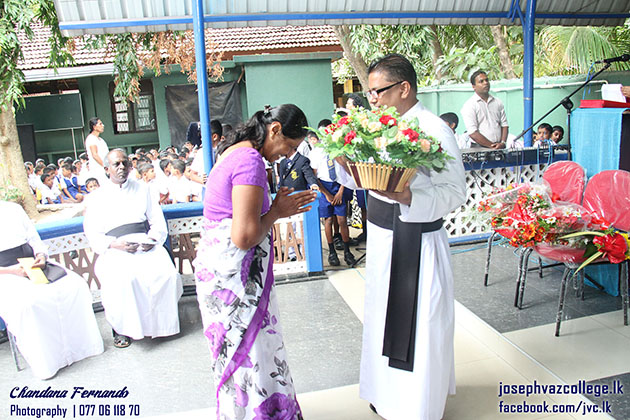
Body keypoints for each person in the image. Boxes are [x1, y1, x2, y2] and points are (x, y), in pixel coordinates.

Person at [337, 54, 466, 420]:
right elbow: (366, 181)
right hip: (382, 237)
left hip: (418, 240)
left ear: (404, 88)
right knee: (381, 316)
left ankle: (416, 405)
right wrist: (346, 167)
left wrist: (410, 197)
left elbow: (456, 191)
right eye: (370, 91)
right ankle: (385, 394)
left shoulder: (434, 129)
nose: (372, 99)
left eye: (378, 91)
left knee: (420, 324)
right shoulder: (378, 127)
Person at [193, 104, 316, 420]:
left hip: (223, 277)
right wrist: (277, 211)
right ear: (275, 130)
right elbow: (244, 237)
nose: (287, 155)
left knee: (248, 357)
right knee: (255, 355)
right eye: (288, 146)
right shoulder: (250, 161)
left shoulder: (234, 152)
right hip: (234, 285)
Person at [83, 149, 182, 348]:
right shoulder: (95, 198)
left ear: (130, 166)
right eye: (116, 164)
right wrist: (113, 244)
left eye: (124, 163)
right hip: (115, 247)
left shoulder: (143, 189)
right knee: (125, 280)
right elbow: (92, 232)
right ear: (106, 168)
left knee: (166, 275)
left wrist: (152, 240)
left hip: (144, 243)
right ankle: (123, 329)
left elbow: (156, 220)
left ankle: (160, 326)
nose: (121, 167)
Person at [0, 200, 103, 379]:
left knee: (75, 285)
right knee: (29, 303)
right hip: (5, 274)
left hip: (31, 264)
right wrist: (12, 271)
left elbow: (33, 239)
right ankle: (47, 361)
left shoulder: (13, 209)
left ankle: (83, 348)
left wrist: (40, 255)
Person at [460, 70, 509, 149]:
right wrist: (492, 146)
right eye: (481, 81)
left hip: (499, 147)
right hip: (479, 148)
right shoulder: (469, 105)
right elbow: (473, 133)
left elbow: (504, 125)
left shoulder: (497, 102)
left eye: (486, 80)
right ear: (473, 86)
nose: (485, 83)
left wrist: (503, 143)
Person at [85, 117, 109, 183]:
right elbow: (94, 155)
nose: (103, 125)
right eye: (100, 124)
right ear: (94, 127)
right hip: (97, 169)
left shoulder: (101, 140)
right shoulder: (91, 139)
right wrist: (105, 166)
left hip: (105, 169)